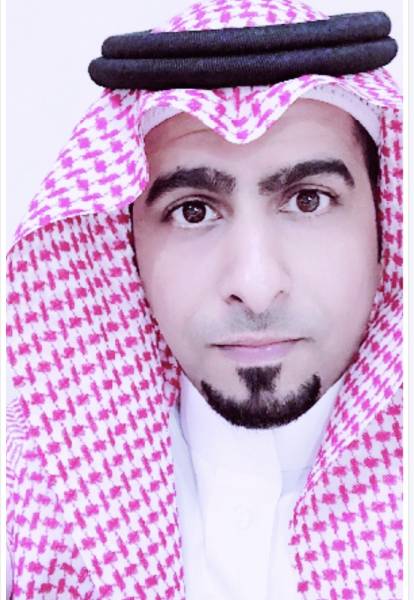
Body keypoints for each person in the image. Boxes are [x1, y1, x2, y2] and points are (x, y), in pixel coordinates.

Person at [6, 0, 403, 598]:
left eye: (308, 200)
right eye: (192, 211)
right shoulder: (27, 495)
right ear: (126, 243)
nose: (256, 285)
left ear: (386, 221)